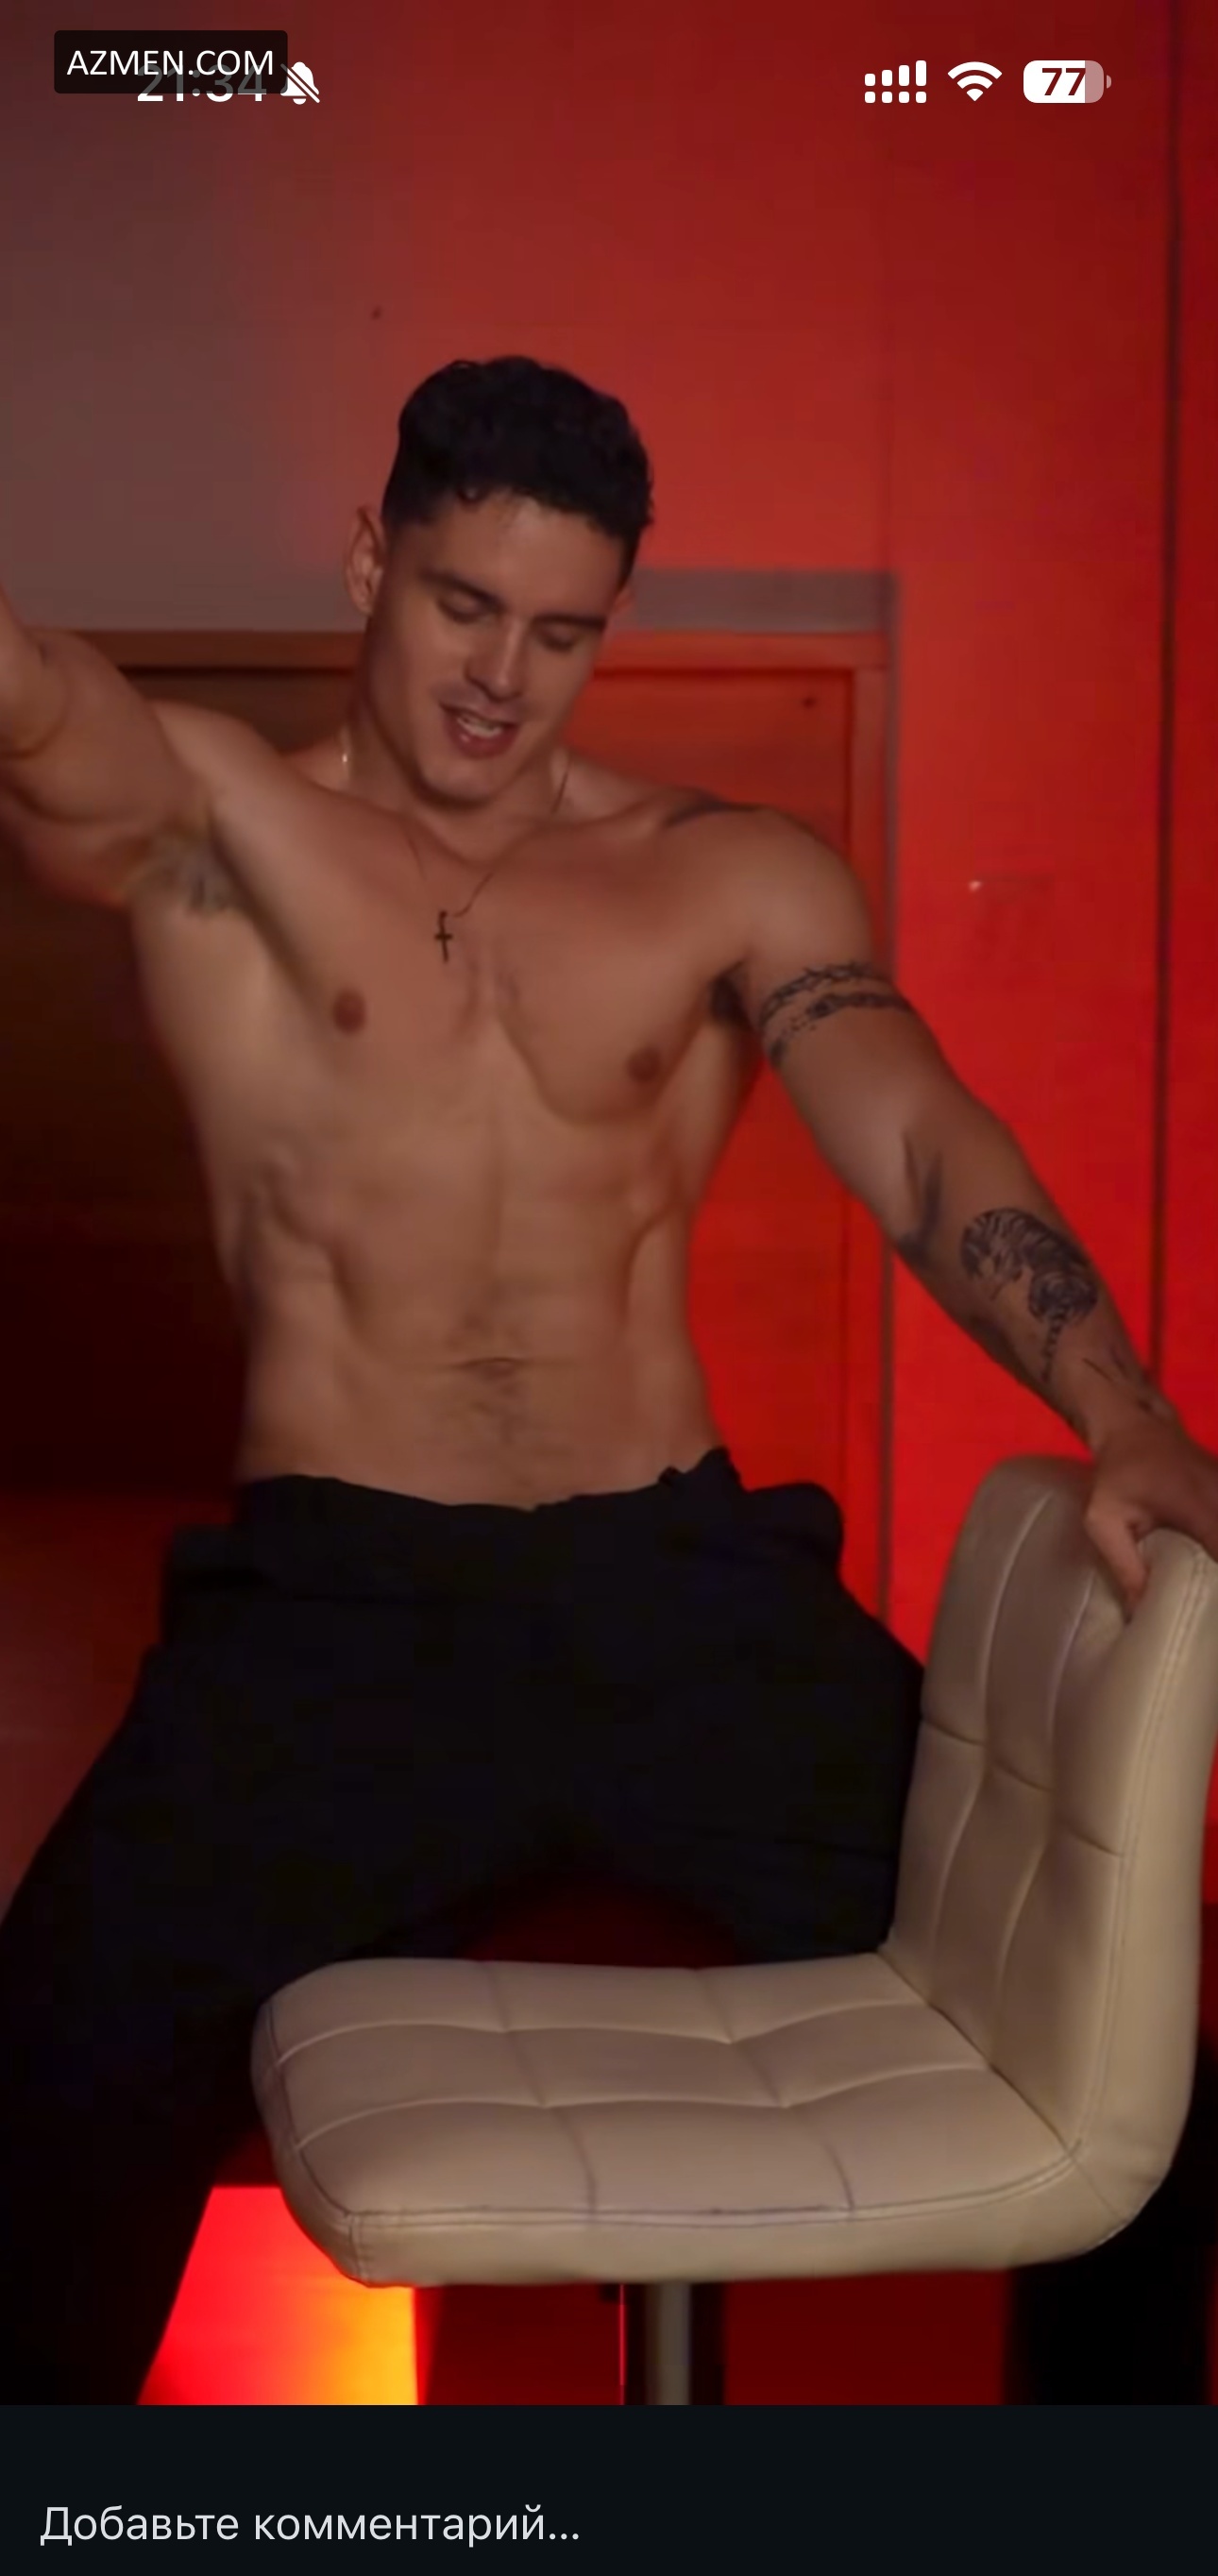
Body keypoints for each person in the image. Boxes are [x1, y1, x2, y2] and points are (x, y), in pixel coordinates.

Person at [0, 354, 1216, 2405]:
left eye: (561, 632)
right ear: (371, 560)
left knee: (1127, 2061)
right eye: (462, 604)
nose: (502, 677)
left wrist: (1122, 1407)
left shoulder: (723, 873)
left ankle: (1096, 2530)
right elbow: (49, 715)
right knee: (43, 2082)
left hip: (675, 1592)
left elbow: (921, 1145)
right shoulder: (223, 830)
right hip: (338, 1607)